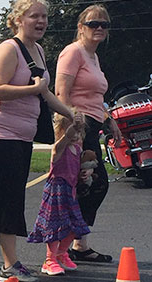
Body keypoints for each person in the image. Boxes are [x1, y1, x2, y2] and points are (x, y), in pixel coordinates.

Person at [0, 0, 73, 282]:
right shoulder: (8, 49)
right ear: (18, 19)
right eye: (34, 15)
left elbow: (44, 93)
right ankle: (10, 266)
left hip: (20, 136)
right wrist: (33, 88)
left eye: (44, 16)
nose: (41, 21)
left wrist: (71, 113)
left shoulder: (38, 51)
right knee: (8, 197)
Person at [55, 4, 122, 263]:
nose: (100, 28)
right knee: (93, 184)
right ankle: (66, 245)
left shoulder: (93, 57)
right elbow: (62, 93)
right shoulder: (73, 53)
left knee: (89, 186)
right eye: (94, 24)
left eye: (104, 24)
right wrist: (72, 130)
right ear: (81, 27)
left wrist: (109, 119)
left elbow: (96, 96)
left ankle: (78, 245)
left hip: (94, 122)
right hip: (78, 126)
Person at [27, 112, 91, 275]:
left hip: (71, 191)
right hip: (56, 190)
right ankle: (49, 260)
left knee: (76, 226)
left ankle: (61, 253)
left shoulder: (78, 147)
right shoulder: (59, 148)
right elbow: (57, 149)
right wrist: (71, 130)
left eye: (78, 131)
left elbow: (80, 166)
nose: (75, 134)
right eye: (71, 130)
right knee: (55, 225)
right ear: (61, 129)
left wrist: (86, 173)